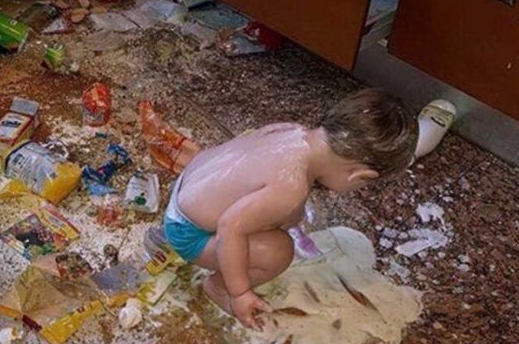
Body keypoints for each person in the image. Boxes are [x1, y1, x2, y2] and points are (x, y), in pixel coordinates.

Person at [163, 88, 454, 329]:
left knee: (283, 215)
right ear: (359, 176)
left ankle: (226, 260)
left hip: (188, 187)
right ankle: (219, 286)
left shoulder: (294, 131)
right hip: (187, 232)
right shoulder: (290, 187)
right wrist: (240, 293)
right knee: (279, 252)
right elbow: (230, 228)